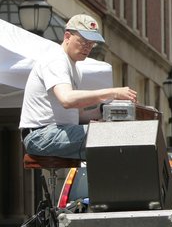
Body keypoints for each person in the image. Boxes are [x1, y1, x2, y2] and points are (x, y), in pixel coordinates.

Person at [19, 14, 138, 159]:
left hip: (55, 132)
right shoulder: (56, 59)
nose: (88, 47)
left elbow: (79, 115)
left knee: (116, 136)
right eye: (83, 41)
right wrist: (112, 93)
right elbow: (67, 100)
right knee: (115, 137)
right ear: (67, 36)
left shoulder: (74, 68)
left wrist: (105, 111)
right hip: (41, 135)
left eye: (91, 43)